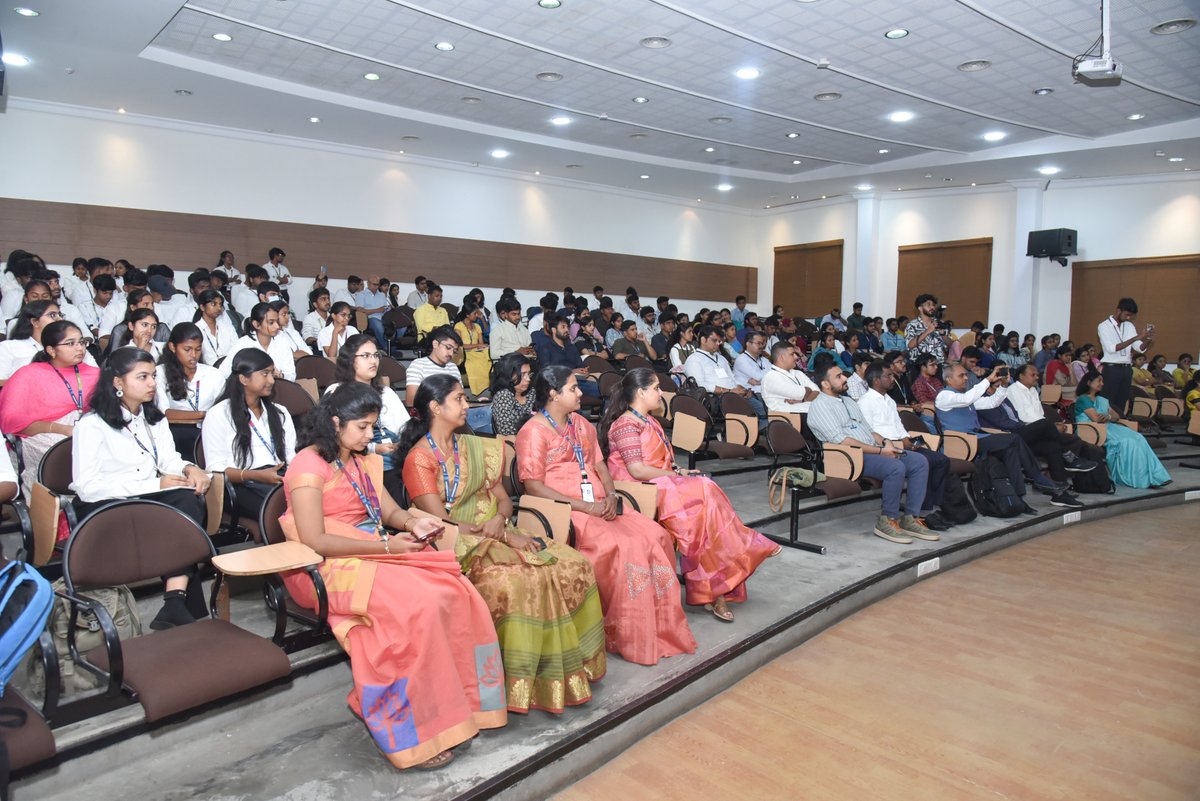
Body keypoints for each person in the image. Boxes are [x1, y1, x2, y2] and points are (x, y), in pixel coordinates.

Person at [281, 382, 504, 768]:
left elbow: (389, 513)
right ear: (335, 422)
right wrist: (387, 547)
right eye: (363, 427)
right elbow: (315, 539)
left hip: (372, 550)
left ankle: (458, 708)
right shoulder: (307, 465)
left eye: (372, 427)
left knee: (456, 591)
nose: (371, 436)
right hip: (322, 566)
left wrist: (415, 523)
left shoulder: (356, 457)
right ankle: (410, 731)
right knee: (413, 609)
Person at [401, 374, 606, 713]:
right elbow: (443, 522)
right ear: (436, 408)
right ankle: (519, 684)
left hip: (498, 529)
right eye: (459, 400)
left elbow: (504, 499)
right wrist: (504, 534)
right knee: (521, 580)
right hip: (459, 544)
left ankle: (572, 672)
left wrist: (502, 520)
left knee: (574, 564)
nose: (468, 405)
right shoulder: (419, 459)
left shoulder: (474, 446)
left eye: (466, 398)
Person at [516, 366, 696, 665]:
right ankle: (627, 633)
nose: (580, 393)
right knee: (627, 547)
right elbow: (533, 487)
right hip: (566, 509)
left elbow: (600, 468)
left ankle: (661, 628)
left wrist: (611, 495)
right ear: (552, 394)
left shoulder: (582, 424)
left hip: (601, 503)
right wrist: (585, 506)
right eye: (573, 388)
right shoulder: (533, 432)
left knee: (656, 536)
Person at [600, 369, 779, 622]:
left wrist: (679, 471)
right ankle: (741, 549)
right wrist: (675, 477)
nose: (661, 393)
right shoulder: (625, 424)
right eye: (656, 388)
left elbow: (663, 462)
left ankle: (716, 589)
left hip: (658, 482)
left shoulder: (649, 421)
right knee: (704, 495)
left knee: (704, 507)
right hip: (637, 490)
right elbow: (636, 470)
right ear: (641, 392)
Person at [71, 348, 212, 630]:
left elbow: (168, 459)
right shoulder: (91, 426)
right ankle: (178, 604)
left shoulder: (153, 418)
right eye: (143, 377)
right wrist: (154, 485)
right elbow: (87, 488)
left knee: (189, 499)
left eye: (153, 376)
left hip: (146, 498)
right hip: (105, 504)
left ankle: (174, 599)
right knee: (175, 515)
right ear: (117, 383)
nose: (151, 384)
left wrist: (189, 469)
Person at [806, 362, 936, 544]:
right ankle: (887, 520)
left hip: (870, 450)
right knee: (895, 467)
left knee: (919, 461)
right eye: (838, 377)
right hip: (848, 457)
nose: (845, 378)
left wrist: (885, 442)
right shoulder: (820, 406)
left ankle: (910, 518)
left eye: (843, 374)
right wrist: (881, 451)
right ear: (825, 384)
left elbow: (868, 431)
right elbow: (842, 441)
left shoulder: (849, 401)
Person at [934, 363, 1066, 508]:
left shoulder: (965, 397)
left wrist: (1003, 386)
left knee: (1011, 451)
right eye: (961, 375)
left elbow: (992, 403)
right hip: (962, 443)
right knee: (1014, 438)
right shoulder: (944, 396)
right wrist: (989, 379)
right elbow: (966, 399)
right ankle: (1037, 476)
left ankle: (1019, 499)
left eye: (966, 374)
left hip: (976, 439)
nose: (966, 378)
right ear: (948, 379)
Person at [0, 321, 100, 498]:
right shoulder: (28, 374)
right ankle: (57, 510)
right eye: (71, 343)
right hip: (42, 433)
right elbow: (13, 422)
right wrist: (61, 429)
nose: (80, 348)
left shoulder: (94, 374)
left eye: (81, 342)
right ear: (51, 350)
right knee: (64, 452)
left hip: (87, 428)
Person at [201, 348, 297, 522]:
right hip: (240, 484)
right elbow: (215, 470)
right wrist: (255, 476)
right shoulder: (219, 414)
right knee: (283, 511)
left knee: (312, 500)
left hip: (277, 477)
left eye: (271, 373)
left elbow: (291, 456)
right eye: (265, 374)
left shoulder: (280, 412)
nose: (271, 380)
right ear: (243, 378)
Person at [857, 360, 953, 531]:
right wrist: (893, 444)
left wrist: (907, 440)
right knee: (902, 465)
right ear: (876, 380)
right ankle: (889, 517)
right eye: (889, 375)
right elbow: (868, 433)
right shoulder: (865, 402)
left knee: (921, 461)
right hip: (881, 448)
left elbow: (899, 426)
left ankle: (911, 516)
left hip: (899, 445)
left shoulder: (890, 401)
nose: (893, 378)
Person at [324, 334, 411, 499]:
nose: (373, 361)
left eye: (376, 355)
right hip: (356, 458)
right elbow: (332, 438)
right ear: (350, 360)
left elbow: (405, 428)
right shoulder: (336, 391)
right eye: (365, 356)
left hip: (391, 455)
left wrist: (401, 445)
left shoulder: (386, 392)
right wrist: (374, 448)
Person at [1075, 371, 1171, 489]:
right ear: (1089, 383)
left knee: (1138, 437)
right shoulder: (1083, 399)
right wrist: (1106, 417)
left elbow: (1116, 416)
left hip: (1109, 427)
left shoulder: (1102, 399)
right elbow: (1095, 419)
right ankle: (1139, 479)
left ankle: (1156, 477)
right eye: (1099, 380)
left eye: (1102, 381)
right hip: (1093, 431)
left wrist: (1108, 417)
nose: (1102, 383)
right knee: (1127, 442)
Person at [156, 323, 224, 457]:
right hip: (175, 433)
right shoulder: (159, 373)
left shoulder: (214, 375)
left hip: (209, 431)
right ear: (172, 347)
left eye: (198, 349)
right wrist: (203, 414)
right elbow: (164, 413)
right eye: (187, 349)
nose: (193, 355)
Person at [0, 300, 98, 379]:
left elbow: (96, 375)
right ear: (35, 322)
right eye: (52, 315)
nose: (59, 319)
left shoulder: (75, 346)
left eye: (60, 315)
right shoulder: (9, 347)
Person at [683, 325, 764, 415]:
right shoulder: (694, 359)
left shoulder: (721, 358)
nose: (718, 343)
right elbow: (700, 386)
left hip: (733, 395)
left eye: (719, 341)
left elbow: (732, 378)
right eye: (714, 340)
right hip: (715, 400)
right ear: (703, 340)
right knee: (755, 412)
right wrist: (729, 391)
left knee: (760, 407)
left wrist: (742, 389)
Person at [1097, 297, 1154, 417]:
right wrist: (1135, 338)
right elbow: (1111, 348)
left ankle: (1118, 426)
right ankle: (1105, 429)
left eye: (1131, 316)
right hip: (1111, 369)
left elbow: (1139, 348)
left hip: (1126, 369)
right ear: (1118, 310)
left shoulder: (1129, 326)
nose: (1128, 318)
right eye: (1127, 315)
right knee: (1108, 400)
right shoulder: (1104, 326)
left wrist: (1147, 339)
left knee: (1122, 401)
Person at [220, 303, 297, 381]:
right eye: (271, 322)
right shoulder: (243, 344)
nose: (277, 326)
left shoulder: (282, 341)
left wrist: (281, 375)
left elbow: (291, 375)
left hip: (278, 388)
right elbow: (223, 373)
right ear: (256, 324)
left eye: (277, 321)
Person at [405, 326, 462, 408]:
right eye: (448, 347)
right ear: (435, 344)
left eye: (454, 351)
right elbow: (411, 401)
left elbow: (460, 397)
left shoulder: (453, 367)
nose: (451, 354)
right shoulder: (418, 365)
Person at [761, 340, 820, 414]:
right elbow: (799, 393)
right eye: (792, 354)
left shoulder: (798, 373)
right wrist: (809, 390)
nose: (796, 357)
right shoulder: (771, 377)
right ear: (782, 358)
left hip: (810, 413)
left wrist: (804, 400)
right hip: (791, 418)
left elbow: (817, 392)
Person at [489, 353, 535, 436]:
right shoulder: (503, 396)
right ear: (509, 375)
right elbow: (506, 431)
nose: (528, 379)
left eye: (529, 374)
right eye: (522, 374)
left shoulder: (532, 392)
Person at [454, 301, 491, 397]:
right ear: (467, 314)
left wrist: (483, 346)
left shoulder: (477, 326)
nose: (476, 316)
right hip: (465, 353)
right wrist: (477, 346)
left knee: (487, 360)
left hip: (477, 352)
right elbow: (459, 345)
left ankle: (486, 388)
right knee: (475, 363)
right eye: (474, 313)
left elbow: (481, 344)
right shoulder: (458, 326)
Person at [193, 289, 238, 366]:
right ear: (202, 307)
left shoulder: (227, 327)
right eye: (213, 304)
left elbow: (237, 349)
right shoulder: (196, 330)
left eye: (220, 305)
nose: (219, 308)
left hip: (231, 368)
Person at [905, 293, 948, 364]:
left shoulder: (939, 323)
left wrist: (943, 334)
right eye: (928, 305)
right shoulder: (912, 325)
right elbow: (910, 345)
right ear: (920, 308)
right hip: (920, 365)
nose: (932, 307)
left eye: (933, 305)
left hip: (939, 364)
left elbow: (949, 345)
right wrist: (928, 331)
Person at [489, 296, 536, 360]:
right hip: (507, 366)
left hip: (525, 364)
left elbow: (528, 349)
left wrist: (532, 352)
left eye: (518, 314)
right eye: (513, 314)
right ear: (505, 314)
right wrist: (515, 352)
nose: (517, 317)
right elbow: (494, 354)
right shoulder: (497, 330)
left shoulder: (524, 330)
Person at [353, 275, 390, 350]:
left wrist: (386, 309)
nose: (376, 286)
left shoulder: (382, 295)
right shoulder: (361, 294)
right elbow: (360, 310)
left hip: (384, 317)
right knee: (378, 326)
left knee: (400, 325)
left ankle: (391, 347)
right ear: (368, 283)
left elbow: (383, 308)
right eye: (374, 284)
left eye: (378, 284)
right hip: (370, 319)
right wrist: (377, 310)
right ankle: (387, 348)